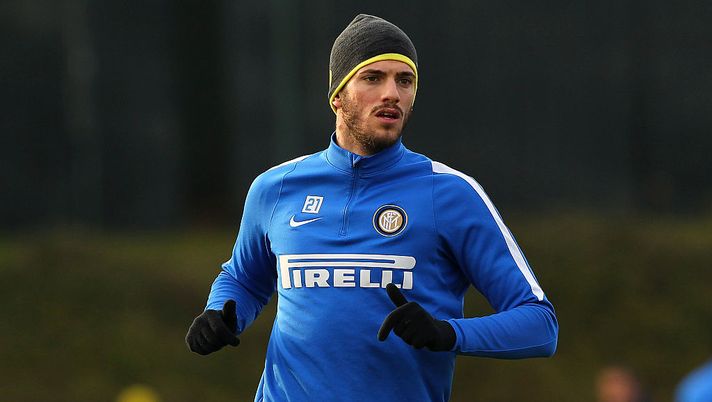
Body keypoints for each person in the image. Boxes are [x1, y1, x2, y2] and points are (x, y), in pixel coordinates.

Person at [186, 13, 558, 402]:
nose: (392, 93)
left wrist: (449, 333)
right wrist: (219, 313)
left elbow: (539, 324)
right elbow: (244, 279)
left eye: (405, 80)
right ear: (337, 96)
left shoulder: (450, 193)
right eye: (373, 78)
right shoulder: (275, 188)